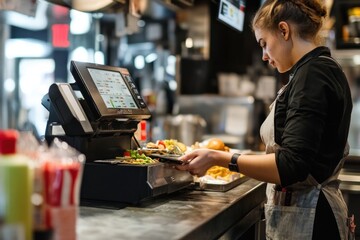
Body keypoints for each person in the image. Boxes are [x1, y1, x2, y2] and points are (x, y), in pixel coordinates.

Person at [176, 0, 354, 239]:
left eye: (264, 44)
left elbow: (291, 165)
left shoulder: (313, 75)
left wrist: (220, 158)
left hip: (312, 220)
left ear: (284, 30)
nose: (264, 56)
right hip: (307, 214)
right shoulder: (312, 71)